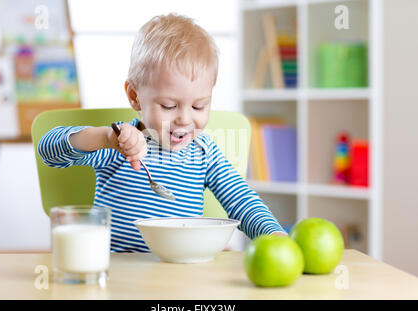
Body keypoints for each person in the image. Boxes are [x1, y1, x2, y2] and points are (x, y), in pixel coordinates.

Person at [38, 13, 286, 253]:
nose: (185, 119)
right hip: (117, 271)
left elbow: (240, 199)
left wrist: (274, 235)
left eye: (199, 106)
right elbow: (48, 150)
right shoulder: (119, 143)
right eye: (169, 106)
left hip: (181, 274)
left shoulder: (204, 152)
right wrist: (104, 138)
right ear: (135, 96)